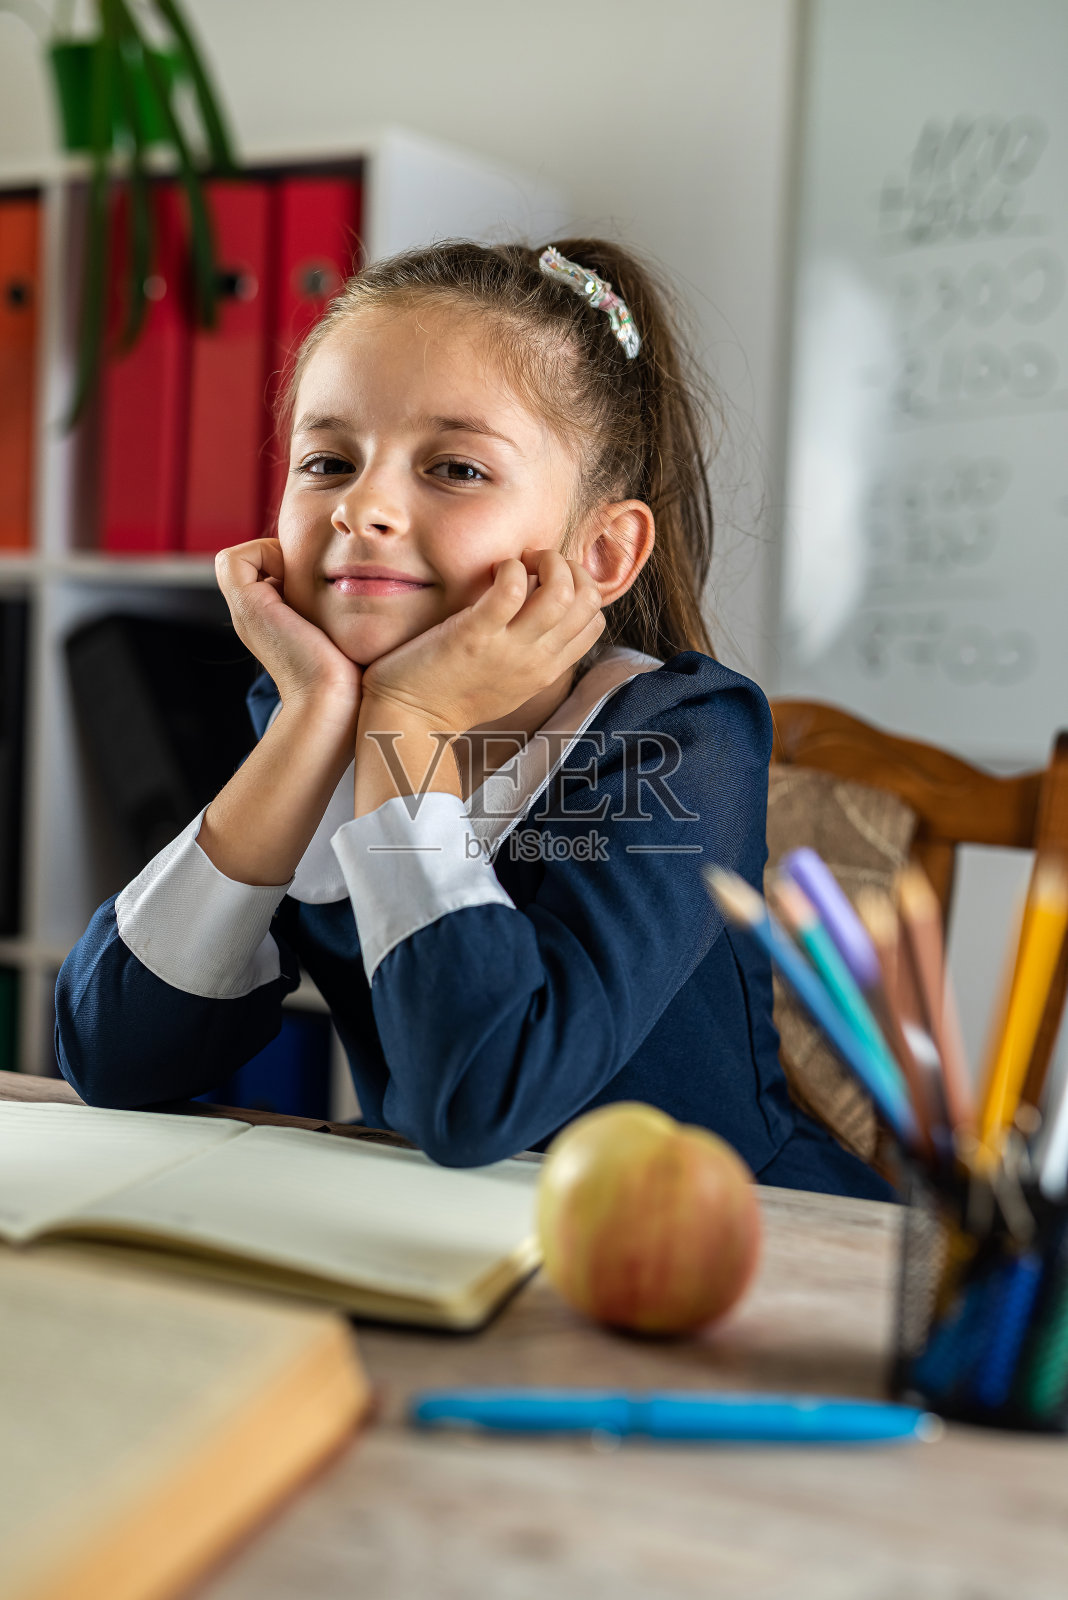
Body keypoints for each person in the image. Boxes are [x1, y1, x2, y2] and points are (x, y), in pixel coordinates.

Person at [55, 238, 892, 1200]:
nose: (362, 506)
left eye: (455, 469)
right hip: (450, 1241)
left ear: (606, 553)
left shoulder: (683, 738)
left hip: (748, 1250)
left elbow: (479, 1098)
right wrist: (315, 718)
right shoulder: (310, 713)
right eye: (328, 460)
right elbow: (112, 1057)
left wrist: (408, 725)